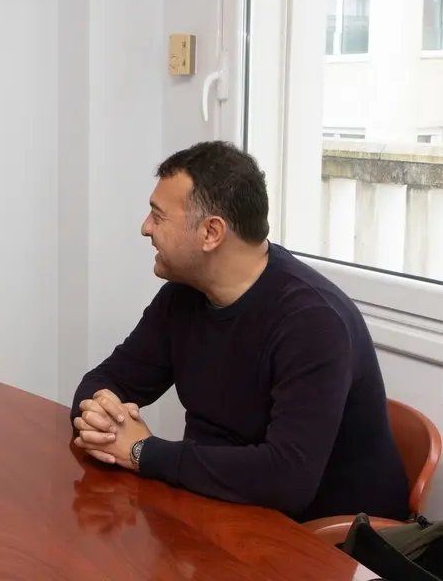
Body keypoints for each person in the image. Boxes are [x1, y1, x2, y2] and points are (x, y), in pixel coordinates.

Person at [70, 141, 409, 524]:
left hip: (333, 543)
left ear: (211, 232)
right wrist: (98, 416)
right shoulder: (182, 297)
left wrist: (141, 451)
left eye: (158, 216)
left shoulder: (313, 321)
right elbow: (108, 379)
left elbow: (287, 479)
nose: (145, 228)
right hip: (225, 510)